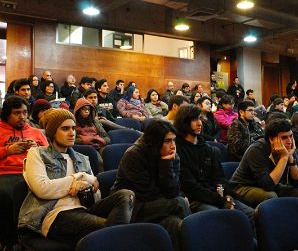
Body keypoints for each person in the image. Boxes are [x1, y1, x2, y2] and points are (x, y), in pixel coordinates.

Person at [18, 108, 134, 247]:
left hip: (84, 208)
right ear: (52, 132)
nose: (72, 133)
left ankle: (112, 238)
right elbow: (42, 188)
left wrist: (86, 186)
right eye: (65, 129)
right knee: (109, 229)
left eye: (73, 128)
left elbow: (96, 194)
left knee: (126, 195)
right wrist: (79, 177)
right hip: (55, 214)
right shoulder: (37, 154)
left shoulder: (82, 158)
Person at [111, 119, 190, 250]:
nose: (173, 145)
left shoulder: (171, 155)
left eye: (174, 140)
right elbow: (147, 193)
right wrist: (172, 198)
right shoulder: (133, 155)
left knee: (174, 223)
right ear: (155, 142)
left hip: (159, 204)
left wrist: (166, 164)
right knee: (180, 203)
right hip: (133, 207)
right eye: (167, 141)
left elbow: (173, 189)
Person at [174, 105, 254, 222]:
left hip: (217, 196)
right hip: (196, 200)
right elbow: (190, 187)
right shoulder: (177, 150)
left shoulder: (207, 148)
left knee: (251, 214)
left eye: (200, 119)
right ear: (184, 123)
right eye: (194, 119)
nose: (199, 123)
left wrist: (227, 197)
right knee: (220, 218)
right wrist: (221, 200)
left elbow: (220, 177)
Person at [0, 96, 48, 247]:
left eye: (25, 112)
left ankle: (33, 237)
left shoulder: (36, 132)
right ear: (7, 114)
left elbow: (51, 154)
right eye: (16, 113)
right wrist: (8, 150)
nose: (22, 117)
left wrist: (38, 149)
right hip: (6, 173)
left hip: (34, 172)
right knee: (9, 196)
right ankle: (11, 241)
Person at [230, 118, 298, 208]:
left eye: (291, 136)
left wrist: (290, 158)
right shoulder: (256, 150)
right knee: (271, 196)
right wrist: (284, 157)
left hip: (271, 185)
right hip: (244, 186)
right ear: (271, 139)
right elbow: (268, 185)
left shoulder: (288, 147)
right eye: (284, 137)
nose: (289, 141)